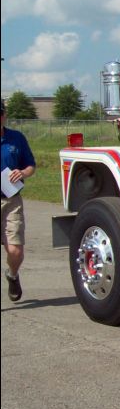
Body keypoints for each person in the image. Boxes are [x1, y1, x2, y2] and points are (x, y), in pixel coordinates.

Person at [1, 99, 36, 302]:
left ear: (4, 115)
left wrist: (21, 172)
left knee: (15, 250)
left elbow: (30, 166)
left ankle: (12, 275)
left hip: (11, 199)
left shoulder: (16, 138)